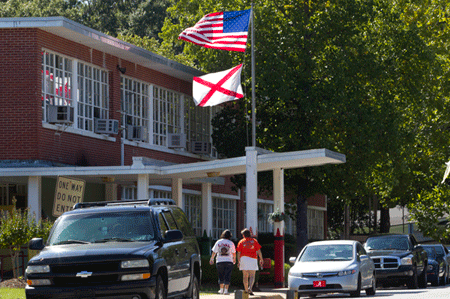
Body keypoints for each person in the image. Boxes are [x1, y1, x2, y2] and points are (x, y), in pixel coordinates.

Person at [236, 228, 264, 295]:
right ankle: (250, 288)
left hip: (244, 259)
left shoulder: (241, 242)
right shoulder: (254, 241)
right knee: (252, 276)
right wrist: (261, 259)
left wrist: (238, 261)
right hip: (253, 259)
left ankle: (246, 290)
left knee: (245, 276)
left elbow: (238, 252)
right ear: (250, 234)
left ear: (243, 235)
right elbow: (258, 251)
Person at [210, 229, 236, 295]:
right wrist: (234, 259)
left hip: (219, 260)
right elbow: (234, 253)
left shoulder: (218, 242)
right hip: (229, 260)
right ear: (230, 236)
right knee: (228, 275)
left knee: (220, 275)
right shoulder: (231, 243)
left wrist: (212, 259)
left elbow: (214, 252)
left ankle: (221, 290)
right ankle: (226, 290)